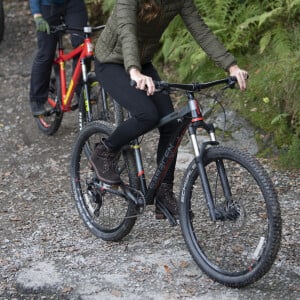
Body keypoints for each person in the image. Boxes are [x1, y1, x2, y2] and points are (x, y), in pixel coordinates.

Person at [90, 0, 248, 219]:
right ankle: (104, 151)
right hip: (111, 62)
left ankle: (164, 192)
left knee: (172, 125)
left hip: (143, 63)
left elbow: (201, 30)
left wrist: (231, 66)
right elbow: (127, 30)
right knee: (147, 115)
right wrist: (134, 71)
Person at [29, 0, 88, 116]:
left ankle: (82, 92)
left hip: (74, 4)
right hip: (47, 6)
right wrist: (37, 14)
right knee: (46, 53)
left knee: (83, 46)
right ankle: (37, 98)